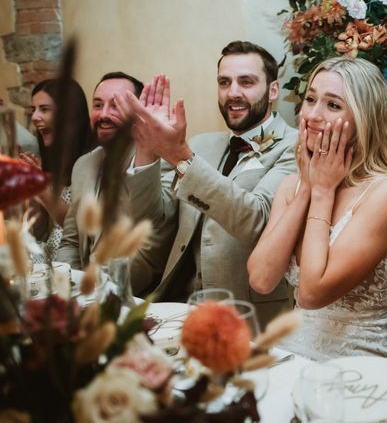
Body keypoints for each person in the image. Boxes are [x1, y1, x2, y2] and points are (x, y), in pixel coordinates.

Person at [116, 41, 298, 325]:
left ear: (273, 90)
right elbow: (152, 222)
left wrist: (180, 156)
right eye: (224, 82)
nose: (233, 93)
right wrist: (147, 149)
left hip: (248, 314)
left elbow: (259, 220)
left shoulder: (295, 146)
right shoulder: (201, 145)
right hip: (177, 306)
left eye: (246, 82)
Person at [247, 56, 387, 360]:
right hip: (290, 353)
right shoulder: (291, 186)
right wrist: (306, 189)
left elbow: (312, 293)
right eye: (310, 99)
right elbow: (261, 279)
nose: (311, 114)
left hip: (356, 363)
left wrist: (322, 193)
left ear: (365, 118)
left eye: (333, 105)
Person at [57, 72, 144, 270]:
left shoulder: (152, 166)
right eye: (97, 105)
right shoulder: (83, 164)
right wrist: (71, 285)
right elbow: (70, 241)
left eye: (116, 105)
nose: (104, 114)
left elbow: (151, 252)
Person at [19, 79, 92, 263]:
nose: (35, 117)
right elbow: (38, 226)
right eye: (33, 109)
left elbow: (74, 225)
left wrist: (41, 187)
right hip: (49, 250)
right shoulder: (51, 157)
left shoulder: (91, 159)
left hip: (73, 260)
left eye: (44, 109)